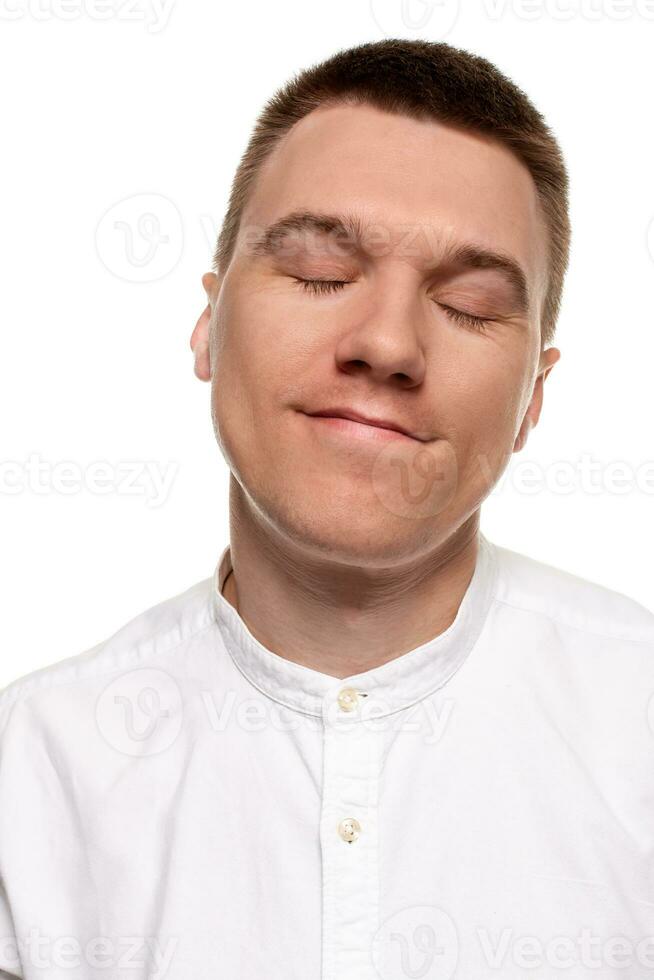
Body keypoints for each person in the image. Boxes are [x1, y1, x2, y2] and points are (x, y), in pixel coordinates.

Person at [1, 37, 653, 980]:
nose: (387, 342)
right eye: (317, 273)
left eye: (469, 305)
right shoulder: (31, 777)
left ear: (534, 401)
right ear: (207, 324)